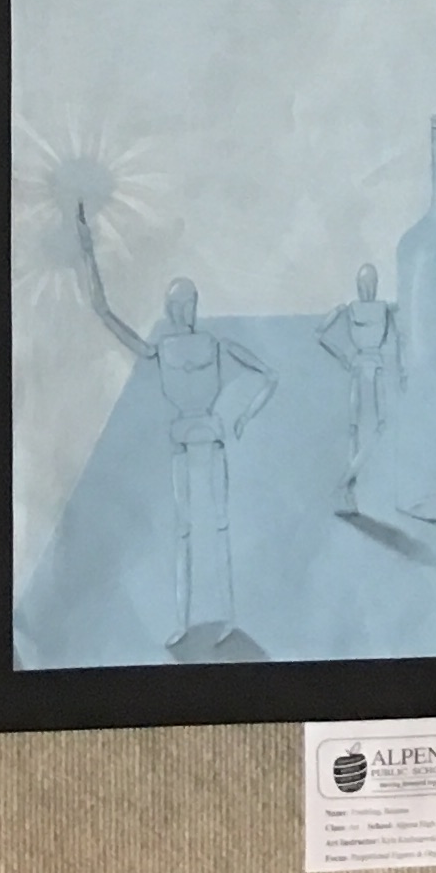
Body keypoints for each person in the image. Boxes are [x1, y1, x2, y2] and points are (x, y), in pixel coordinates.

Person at [74, 206, 278, 654]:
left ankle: (228, 618)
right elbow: (103, 310)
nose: (180, 309)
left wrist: (243, 415)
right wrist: (88, 251)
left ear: (194, 306)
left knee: (218, 527)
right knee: (186, 531)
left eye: (185, 303)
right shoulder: (162, 349)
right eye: (175, 304)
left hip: (211, 441)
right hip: (184, 444)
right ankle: (184, 622)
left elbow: (268, 375)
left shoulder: (214, 344)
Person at [317, 261, 398, 516]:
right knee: (357, 428)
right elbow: (320, 334)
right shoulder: (353, 309)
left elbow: (399, 340)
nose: (367, 288)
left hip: (371, 369)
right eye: (363, 284)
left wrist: (404, 371)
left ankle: (347, 481)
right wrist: (341, 356)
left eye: (369, 283)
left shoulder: (382, 309)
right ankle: (348, 490)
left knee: (375, 427)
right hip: (362, 368)